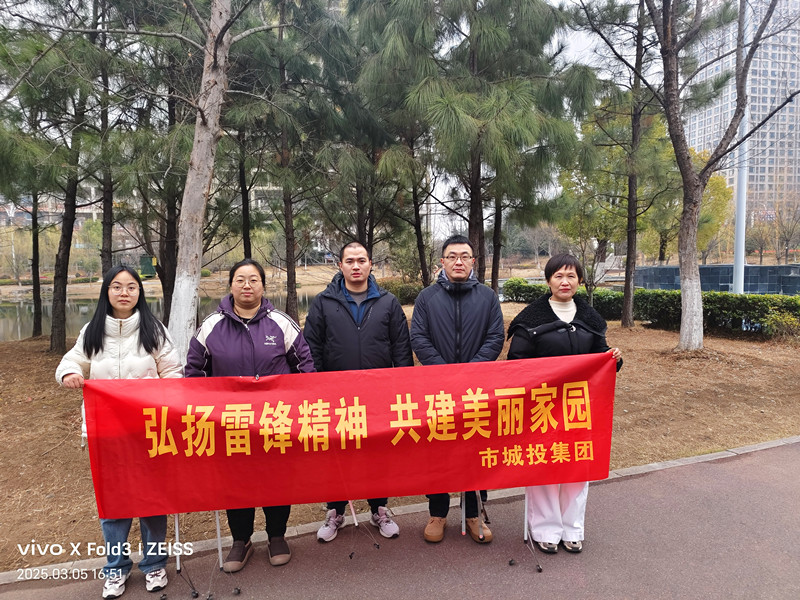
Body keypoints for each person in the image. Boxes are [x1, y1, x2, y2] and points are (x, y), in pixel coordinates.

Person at [56, 265, 182, 599]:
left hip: (148, 431)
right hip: (106, 433)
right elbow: (71, 361)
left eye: (131, 287)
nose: (124, 292)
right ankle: (115, 569)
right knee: (113, 503)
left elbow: (173, 373)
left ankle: (154, 564)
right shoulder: (93, 330)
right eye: (116, 286)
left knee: (152, 500)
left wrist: (163, 407)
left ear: (139, 292)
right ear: (107, 292)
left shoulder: (154, 330)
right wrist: (69, 373)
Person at [185, 258, 314, 573]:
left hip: (275, 421)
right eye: (240, 279)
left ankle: (277, 536)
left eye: (253, 280)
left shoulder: (281, 323)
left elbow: (305, 368)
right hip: (230, 422)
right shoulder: (211, 326)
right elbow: (194, 373)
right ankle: (240, 540)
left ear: (263, 287)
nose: (247, 285)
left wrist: (295, 408)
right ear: (230, 285)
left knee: (276, 479)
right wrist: (210, 411)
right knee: (236, 481)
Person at [507, 253, 622, 554]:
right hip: (542, 407)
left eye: (571, 276)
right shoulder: (531, 319)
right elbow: (516, 363)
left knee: (577, 465)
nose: (565, 281)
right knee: (544, 465)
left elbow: (600, 358)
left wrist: (613, 359)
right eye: (558, 275)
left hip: (580, 407)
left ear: (580, 281)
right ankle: (545, 529)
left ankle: (573, 528)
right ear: (548, 281)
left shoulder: (590, 319)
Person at [303, 241, 413, 542]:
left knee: (377, 454)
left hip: (379, 396)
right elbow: (312, 347)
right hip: (336, 397)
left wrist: (401, 388)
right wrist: (317, 387)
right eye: (349, 261)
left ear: (370, 264)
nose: (355, 266)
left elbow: (401, 348)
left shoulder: (388, 302)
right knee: (338, 455)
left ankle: (379, 509)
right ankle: (335, 511)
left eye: (361, 260)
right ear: (340, 265)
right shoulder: (324, 302)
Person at [410, 234, 504, 544]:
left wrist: (470, 372)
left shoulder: (487, 297)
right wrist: (446, 374)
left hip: (477, 388)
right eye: (452, 256)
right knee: (438, 450)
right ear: (443, 261)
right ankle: (437, 512)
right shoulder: (427, 298)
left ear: (473, 261)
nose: (458, 261)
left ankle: (473, 513)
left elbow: (495, 337)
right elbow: (419, 338)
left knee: (476, 449)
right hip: (438, 390)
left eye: (464, 256)